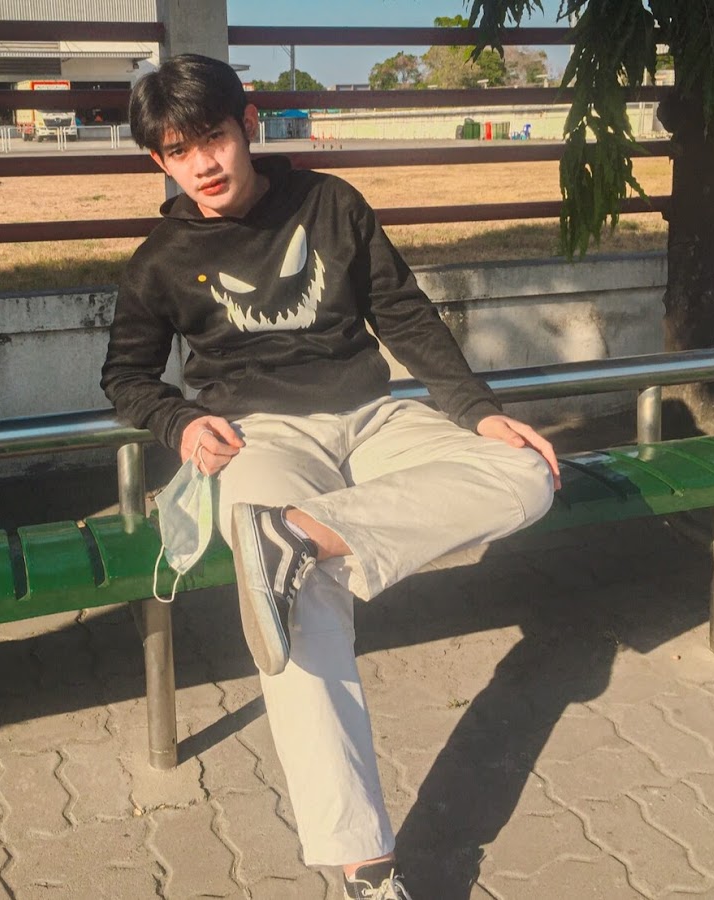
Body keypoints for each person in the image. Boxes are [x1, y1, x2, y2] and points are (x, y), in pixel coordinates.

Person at [101, 53, 560, 900]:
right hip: (258, 438)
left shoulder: (330, 204)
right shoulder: (159, 261)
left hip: (372, 417)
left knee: (526, 473)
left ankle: (300, 537)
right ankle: (365, 864)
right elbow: (126, 377)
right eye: (176, 151)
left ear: (248, 125)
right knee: (294, 606)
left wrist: (477, 410)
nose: (202, 164)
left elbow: (404, 314)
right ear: (158, 161)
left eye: (212, 137)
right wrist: (179, 421)